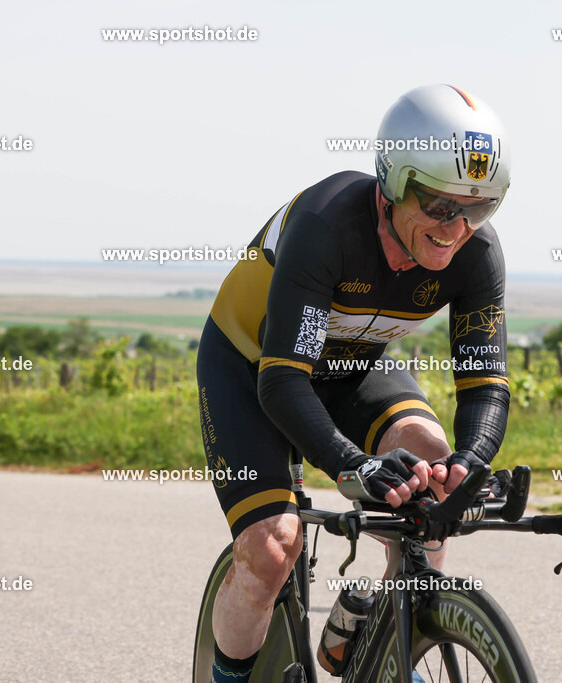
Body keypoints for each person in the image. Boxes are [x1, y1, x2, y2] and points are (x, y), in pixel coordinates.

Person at [196, 83, 511, 682]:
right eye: (440, 204)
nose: (456, 227)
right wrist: (351, 463)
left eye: (479, 206)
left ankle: (382, 641)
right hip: (252, 364)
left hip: (353, 361)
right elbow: (283, 382)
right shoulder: (327, 224)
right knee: (270, 548)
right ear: (393, 180)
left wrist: (471, 460)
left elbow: (485, 387)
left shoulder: (477, 253)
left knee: (433, 473)